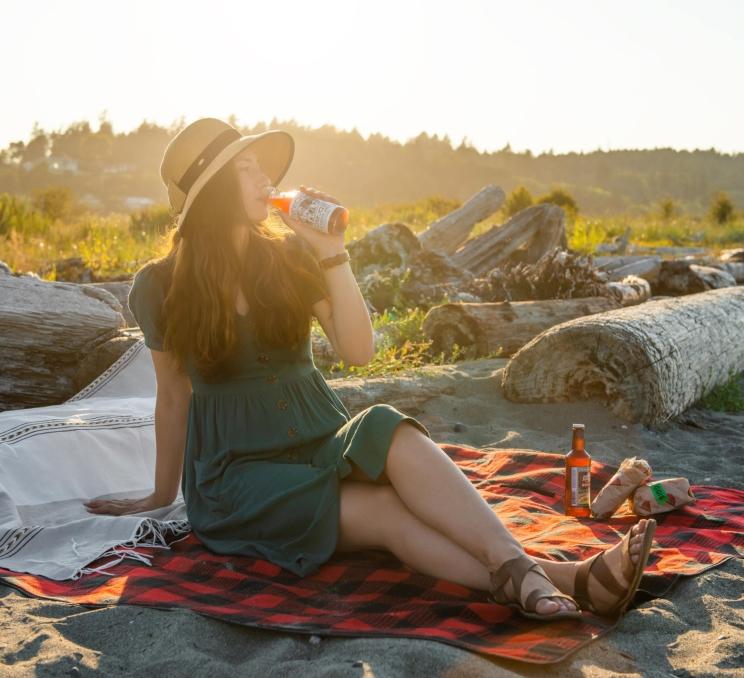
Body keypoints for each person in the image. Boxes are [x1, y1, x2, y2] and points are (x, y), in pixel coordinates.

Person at [84, 117, 656, 621]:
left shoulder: (286, 256)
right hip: (237, 475)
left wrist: (331, 251)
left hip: (320, 436)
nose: (265, 182)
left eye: (262, 168)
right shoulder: (159, 286)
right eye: (247, 170)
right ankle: (557, 578)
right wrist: (162, 495)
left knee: (388, 425)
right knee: (385, 512)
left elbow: (358, 350)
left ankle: (538, 574)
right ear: (210, 193)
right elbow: (173, 397)